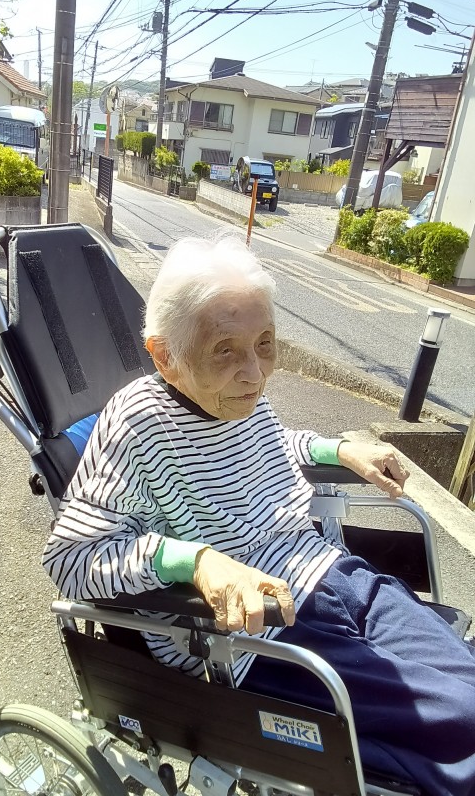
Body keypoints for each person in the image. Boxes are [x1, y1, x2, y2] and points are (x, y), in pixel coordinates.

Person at [42, 236, 475, 795]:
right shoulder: (138, 424)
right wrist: (196, 562)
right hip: (258, 634)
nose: (255, 373)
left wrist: (339, 449)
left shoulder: (238, 395)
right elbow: (71, 559)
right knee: (459, 725)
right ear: (165, 355)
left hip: (334, 575)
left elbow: (273, 444)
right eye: (225, 349)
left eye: (265, 344)